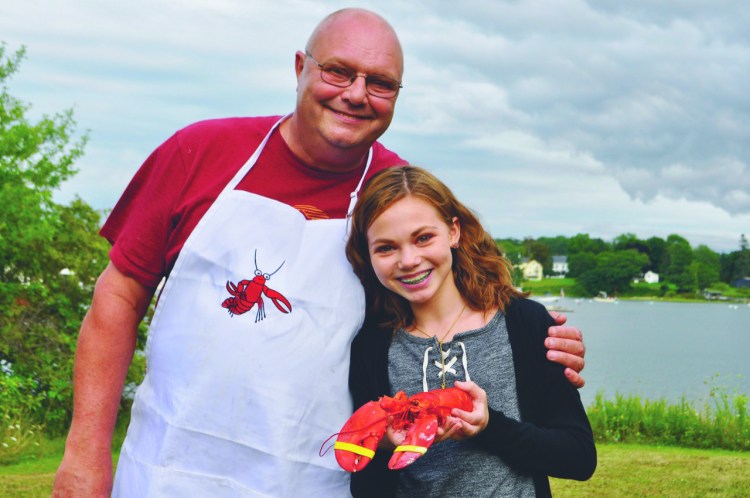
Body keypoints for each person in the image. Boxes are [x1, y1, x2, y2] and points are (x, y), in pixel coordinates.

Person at [52, 8, 586, 497]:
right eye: (338, 71)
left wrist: (541, 332)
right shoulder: (198, 152)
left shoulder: (393, 193)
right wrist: (84, 449)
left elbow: (462, 286)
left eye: (380, 83)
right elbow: (117, 298)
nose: (356, 94)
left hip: (315, 477)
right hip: (170, 467)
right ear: (300, 67)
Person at [344, 165, 596, 497]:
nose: (408, 259)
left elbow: (578, 458)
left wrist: (490, 427)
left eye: (423, 238)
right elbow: (366, 488)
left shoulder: (526, 323)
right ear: (368, 255)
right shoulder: (370, 345)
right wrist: (385, 446)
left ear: (453, 232)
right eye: (386, 248)